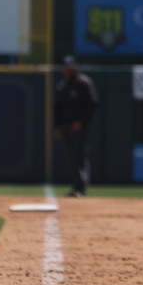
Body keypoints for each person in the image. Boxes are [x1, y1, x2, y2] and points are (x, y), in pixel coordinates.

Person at [53, 55, 99, 197]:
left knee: (80, 156)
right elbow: (57, 107)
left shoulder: (84, 83)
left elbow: (92, 104)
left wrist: (82, 121)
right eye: (66, 68)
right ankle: (76, 186)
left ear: (76, 68)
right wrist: (57, 126)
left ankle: (81, 188)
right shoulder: (62, 85)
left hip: (79, 127)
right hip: (66, 126)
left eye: (71, 68)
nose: (69, 71)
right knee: (73, 157)